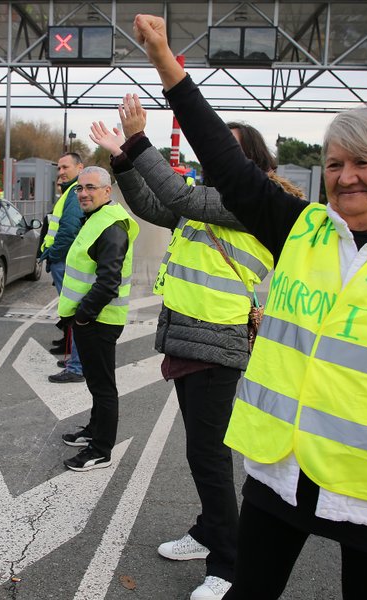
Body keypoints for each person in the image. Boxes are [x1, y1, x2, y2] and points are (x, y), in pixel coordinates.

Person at [133, 14, 367, 600]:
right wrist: (165, 63)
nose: (345, 178)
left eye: (363, 163)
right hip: (281, 474)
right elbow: (226, 163)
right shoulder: (299, 229)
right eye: (334, 164)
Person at [90, 96, 302, 600]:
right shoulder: (210, 197)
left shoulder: (249, 201)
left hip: (217, 340)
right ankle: (209, 532)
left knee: (207, 456)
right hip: (191, 337)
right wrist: (122, 160)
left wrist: (138, 141)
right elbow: (152, 205)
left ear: (250, 159)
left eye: (225, 148)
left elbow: (177, 197)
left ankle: (228, 565)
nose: (213, 155)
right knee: (200, 452)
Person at [58, 166, 139, 471]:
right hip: (93, 319)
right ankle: (93, 431)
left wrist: (82, 316)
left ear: (108, 191)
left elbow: (108, 282)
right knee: (95, 382)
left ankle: (101, 450)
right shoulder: (98, 218)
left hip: (99, 320)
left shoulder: (111, 226)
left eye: (91, 187)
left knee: (103, 387)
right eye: (80, 188)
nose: (83, 193)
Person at [39, 152, 86, 383]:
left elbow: (68, 230)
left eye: (65, 167)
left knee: (75, 315)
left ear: (80, 167)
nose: (61, 172)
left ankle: (77, 367)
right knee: (72, 314)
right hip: (63, 262)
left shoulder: (75, 192)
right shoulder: (71, 191)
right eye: (58, 168)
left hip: (65, 262)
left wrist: (54, 256)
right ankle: (75, 362)